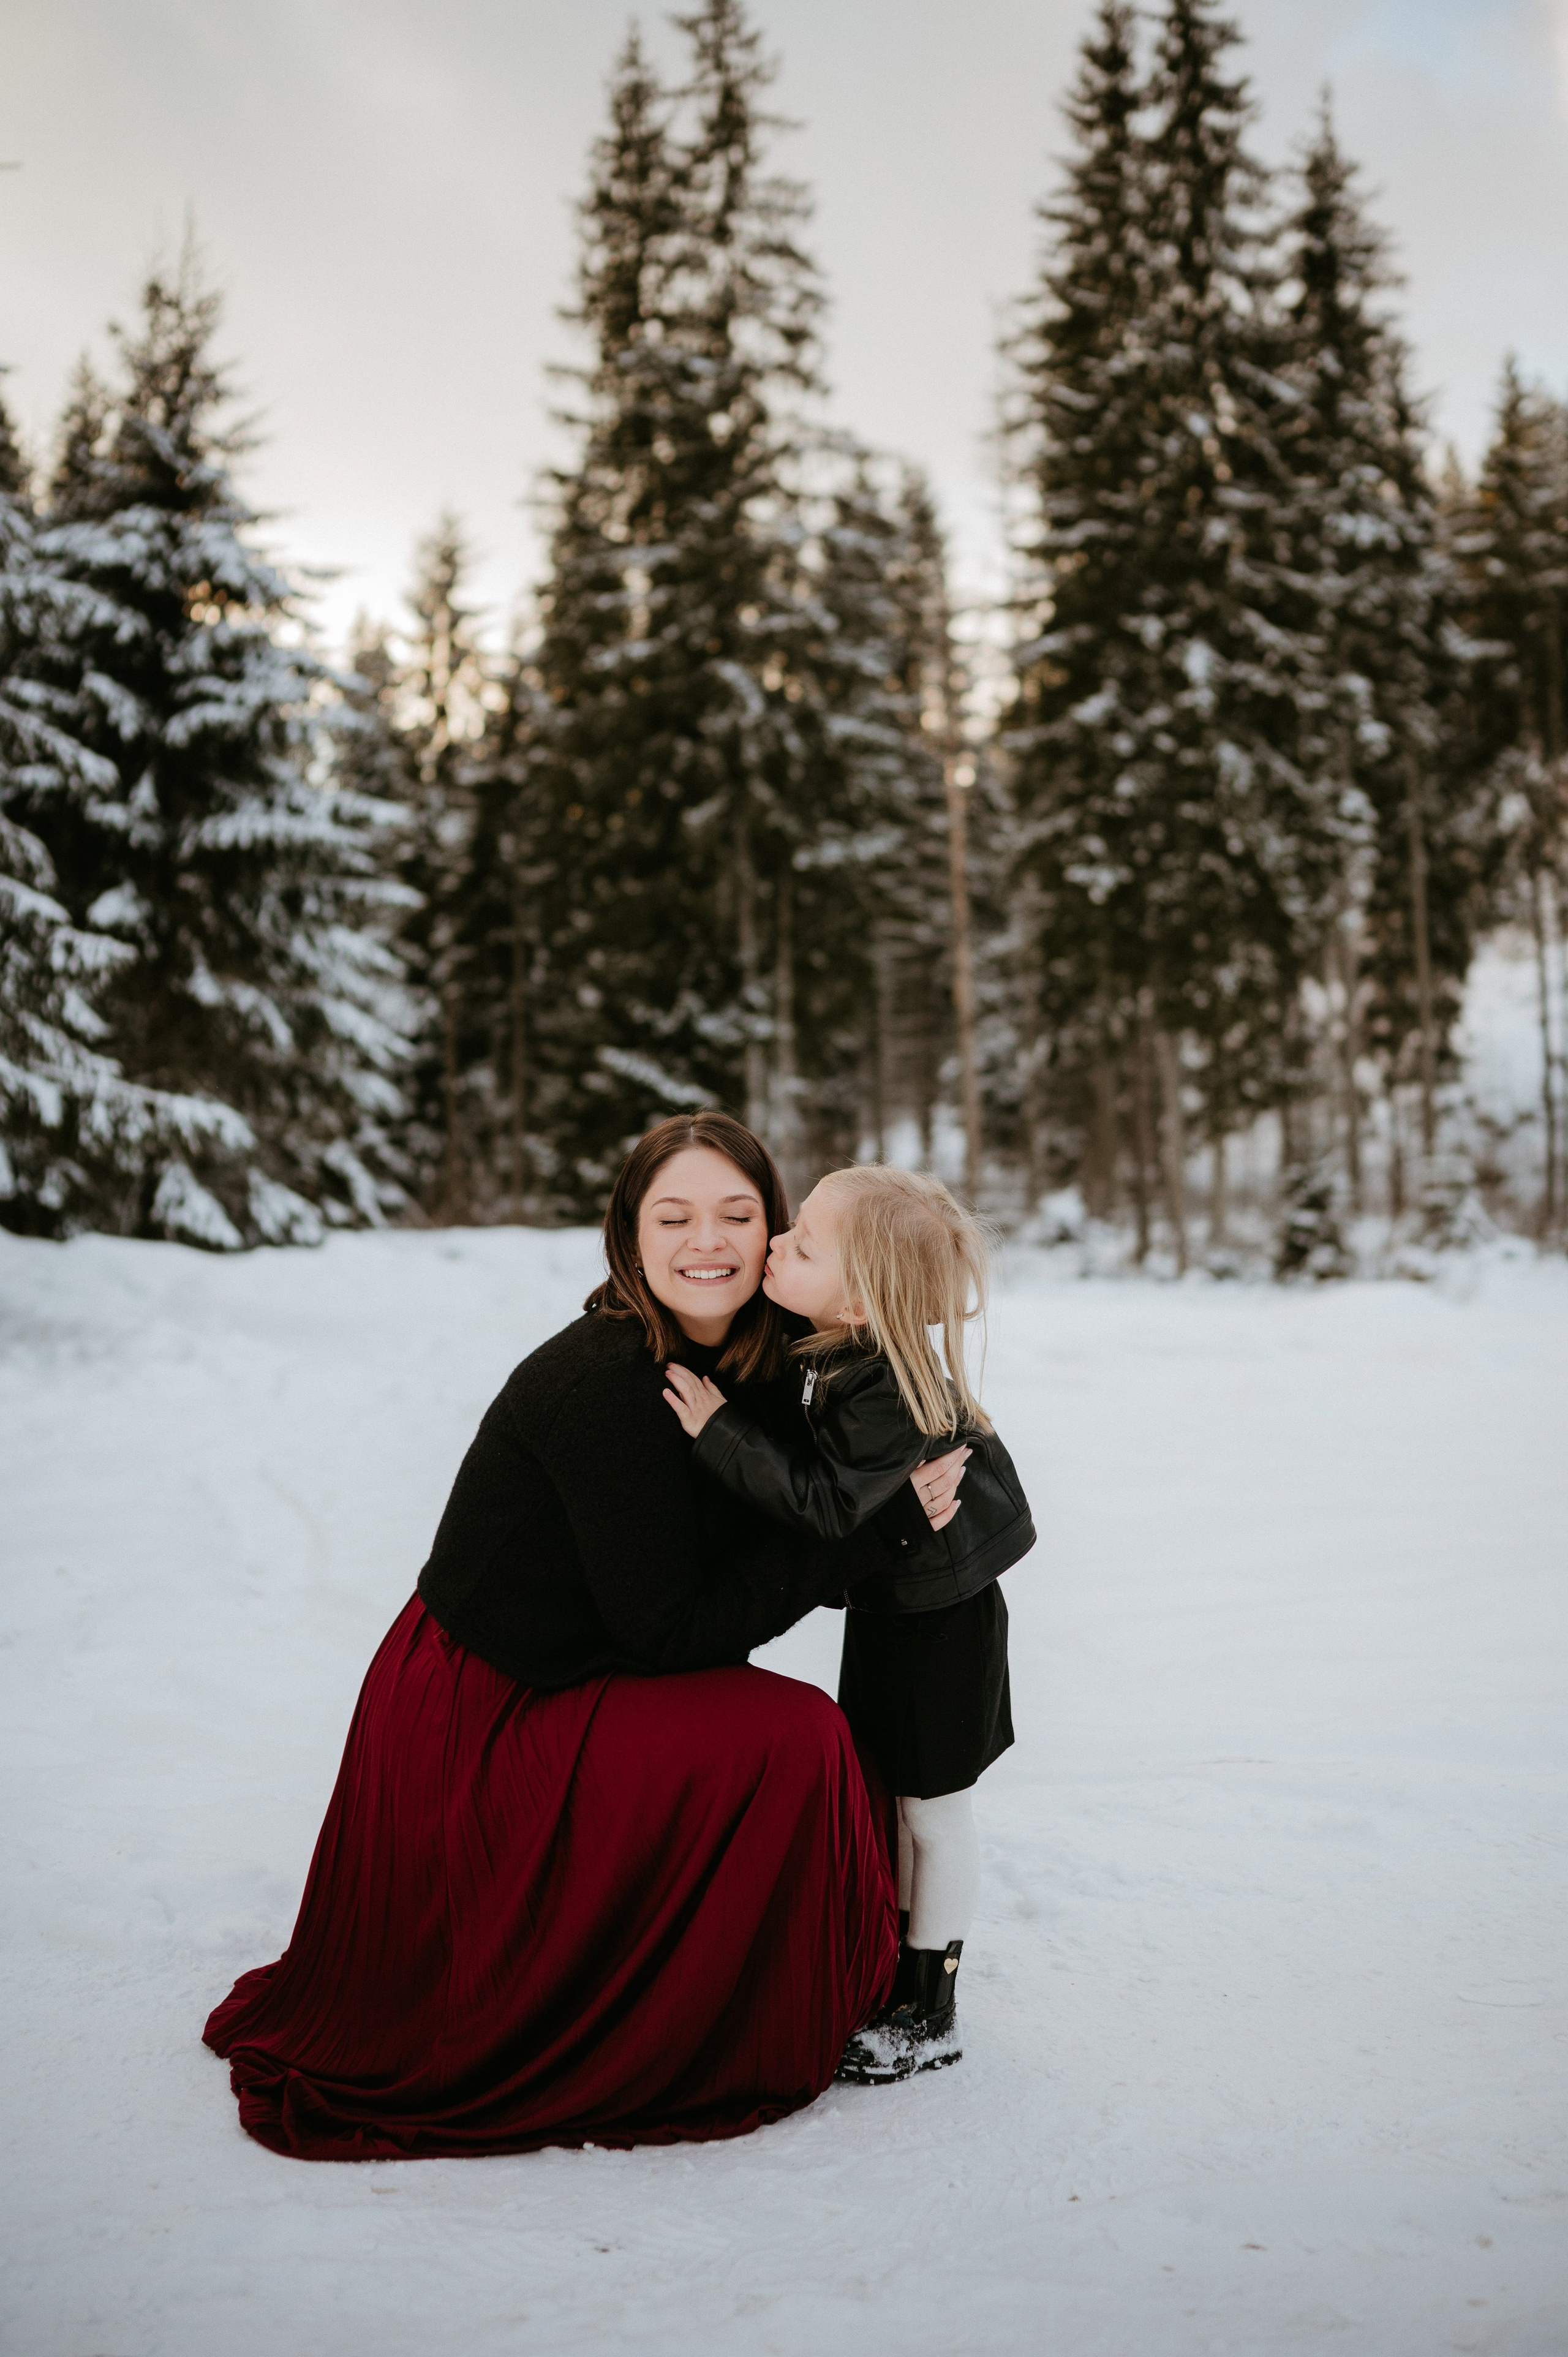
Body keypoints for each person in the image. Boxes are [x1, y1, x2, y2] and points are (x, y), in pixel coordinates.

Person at [203, 1112, 967, 2158]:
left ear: (778, 1236)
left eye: (739, 1215)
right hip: (491, 1708)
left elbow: (834, 1474)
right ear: (630, 1233)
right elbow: (673, 1631)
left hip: (589, 1662)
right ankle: (730, 2021)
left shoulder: (769, 1349)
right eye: (675, 1216)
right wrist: (861, 1544)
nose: (709, 1242)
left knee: (819, 1733)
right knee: (794, 1742)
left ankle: (801, 1992)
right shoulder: (606, 1383)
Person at [662, 1163, 1035, 2083]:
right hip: (894, 1612)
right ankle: (896, 1974)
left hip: (942, 1628)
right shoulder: (839, 1343)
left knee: (934, 1815)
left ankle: (931, 2007)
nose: (775, 1247)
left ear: (861, 1302)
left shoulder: (881, 1389)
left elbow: (827, 1509)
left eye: (801, 1246)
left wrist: (721, 1435)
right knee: (896, 1804)